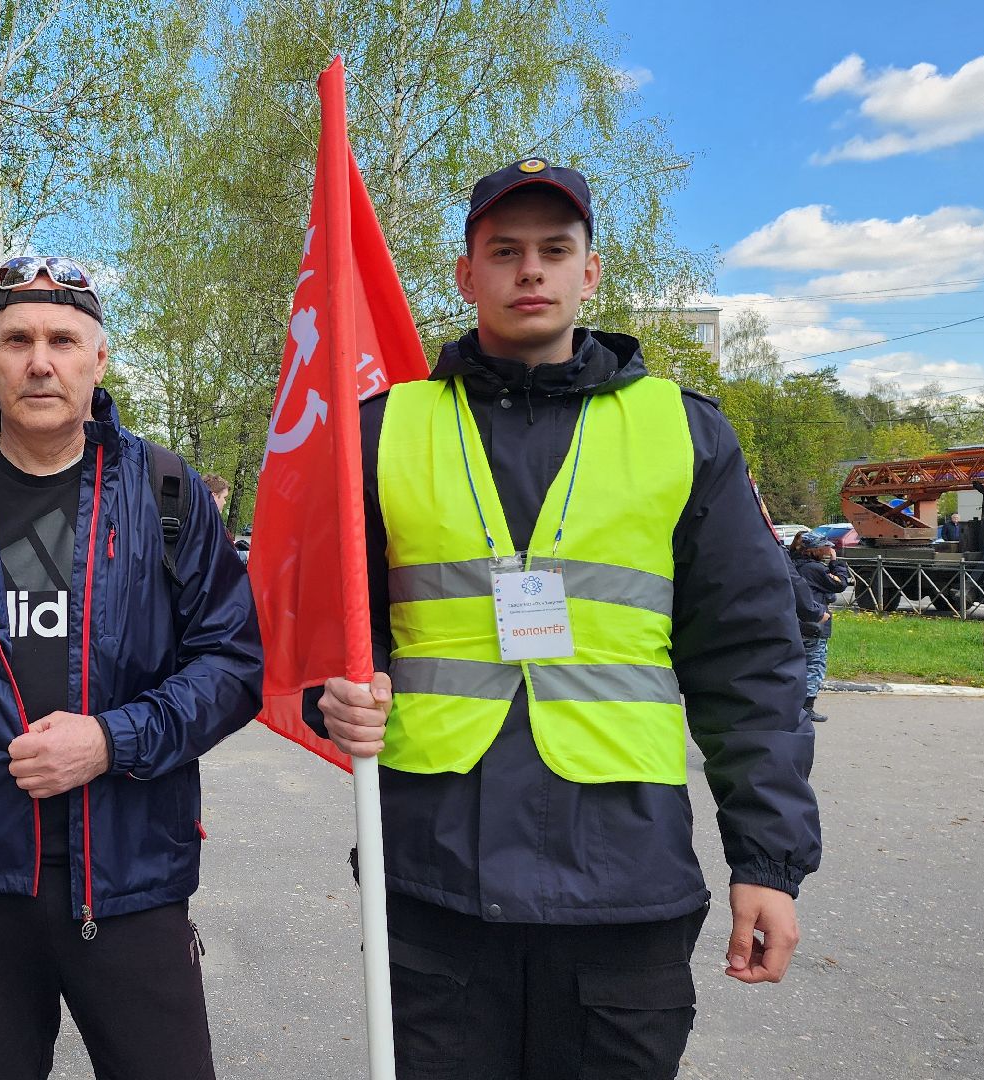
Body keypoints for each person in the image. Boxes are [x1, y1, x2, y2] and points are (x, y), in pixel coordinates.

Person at [309, 159, 821, 1078]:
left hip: (623, 888)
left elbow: (750, 664)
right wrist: (331, 697)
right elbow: (326, 635)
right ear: (466, 276)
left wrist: (768, 863)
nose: (530, 271)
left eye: (555, 250)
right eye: (504, 252)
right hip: (435, 884)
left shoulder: (684, 431)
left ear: (590, 273)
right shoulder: (382, 430)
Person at [0, 255, 262, 1080]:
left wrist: (112, 740)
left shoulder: (164, 492)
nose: (42, 360)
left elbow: (234, 664)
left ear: (99, 360)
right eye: (18, 338)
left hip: (132, 876)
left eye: (64, 340)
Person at [791, 534, 850, 723]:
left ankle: (792, 706)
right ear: (816, 549)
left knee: (796, 665)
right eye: (825, 547)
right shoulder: (814, 568)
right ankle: (806, 708)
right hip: (815, 623)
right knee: (814, 665)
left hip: (796, 622)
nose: (828, 550)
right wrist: (836, 561)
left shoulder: (793, 564)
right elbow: (840, 584)